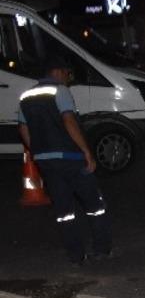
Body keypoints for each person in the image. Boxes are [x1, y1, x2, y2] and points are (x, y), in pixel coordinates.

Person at [16, 55, 112, 265]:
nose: (68, 78)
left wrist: (37, 150)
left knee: (64, 210)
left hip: (45, 160)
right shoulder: (60, 91)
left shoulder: (26, 95)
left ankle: (76, 255)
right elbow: (69, 120)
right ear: (58, 72)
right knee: (94, 204)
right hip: (70, 156)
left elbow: (23, 128)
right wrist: (86, 151)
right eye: (67, 73)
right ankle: (102, 249)